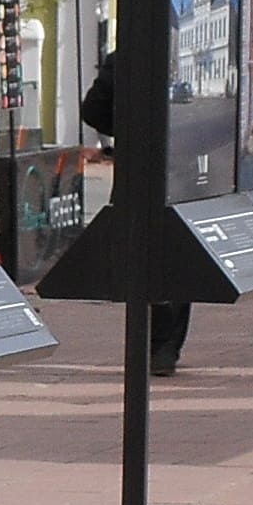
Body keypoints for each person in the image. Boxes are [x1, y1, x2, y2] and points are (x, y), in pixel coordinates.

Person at [77, 52, 187, 370]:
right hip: (183, 167)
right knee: (178, 252)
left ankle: (146, 338)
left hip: (135, 166)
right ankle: (165, 346)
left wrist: (126, 126)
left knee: (138, 249)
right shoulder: (180, 56)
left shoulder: (123, 56)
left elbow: (93, 109)